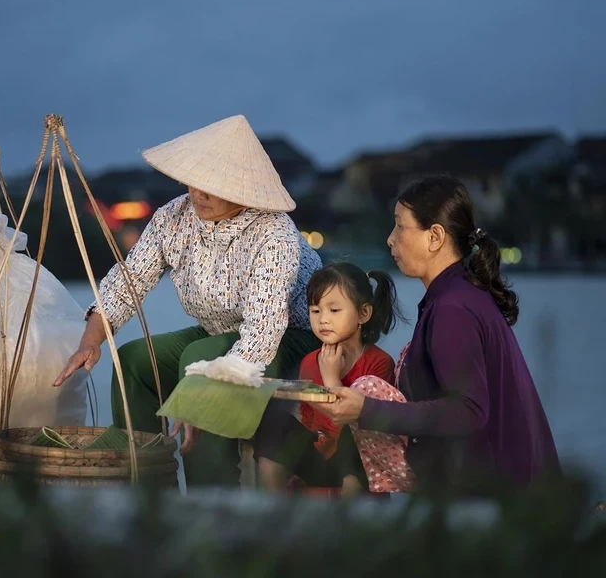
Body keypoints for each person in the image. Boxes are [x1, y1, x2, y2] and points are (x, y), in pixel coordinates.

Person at [52, 114, 323, 487]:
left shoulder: (274, 233)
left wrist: (200, 397)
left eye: (213, 187)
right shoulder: (173, 217)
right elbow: (128, 282)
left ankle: (210, 499)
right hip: (220, 331)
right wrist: (90, 341)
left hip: (289, 337)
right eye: (195, 183)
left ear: (243, 189)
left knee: (197, 360)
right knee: (132, 361)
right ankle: (148, 490)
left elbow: (263, 330)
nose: (198, 194)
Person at [308, 175, 561, 496]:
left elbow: (468, 411)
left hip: (491, 495)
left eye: (400, 226)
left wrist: (366, 409)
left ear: (435, 237)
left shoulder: (453, 308)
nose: (390, 239)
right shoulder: (460, 294)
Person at [251, 262, 410, 498]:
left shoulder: (378, 363)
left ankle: (347, 512)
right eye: (315, 311)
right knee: (273, 419)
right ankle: (276, 504)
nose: (323, 319)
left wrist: (331, 377)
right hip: (322, 454)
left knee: (354, 434)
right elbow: (309, 419)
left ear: (363, 313)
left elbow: (366, 427)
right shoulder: (309, 361)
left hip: (358, 465)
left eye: (334, 310)